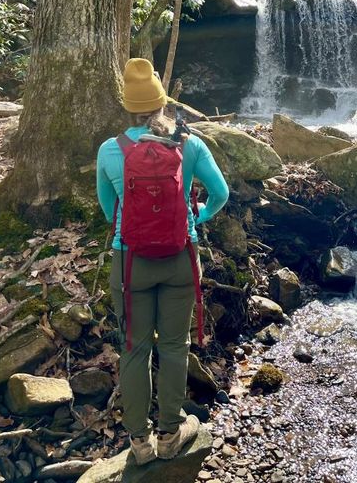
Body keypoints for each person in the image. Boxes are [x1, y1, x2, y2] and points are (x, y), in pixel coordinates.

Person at [96, 58, 229, 464]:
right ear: (161, 103)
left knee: (134, 348)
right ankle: (170, 434)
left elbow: (108, 211)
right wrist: (197, 216)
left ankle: (139, 443)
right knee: (174, 346)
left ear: (128, 106)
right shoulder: (190, 143)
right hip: (180, 259)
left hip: (130, 262)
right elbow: (220, 193)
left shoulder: (109, 150)